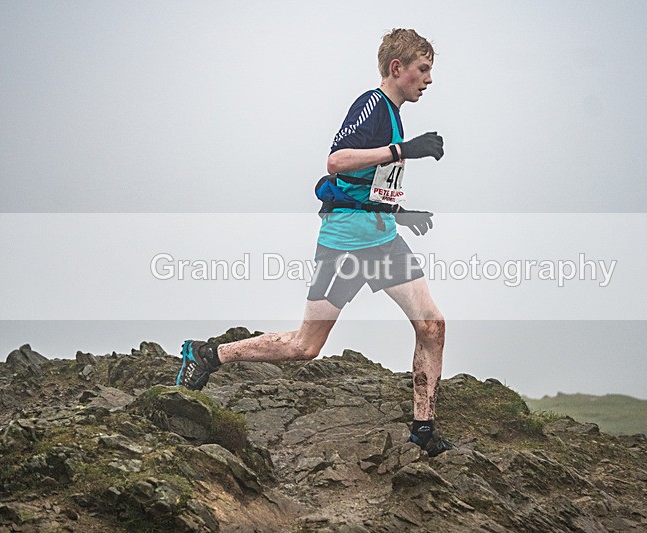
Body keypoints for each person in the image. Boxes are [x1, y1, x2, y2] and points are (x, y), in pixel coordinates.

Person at [176, 28, 452, 457]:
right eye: (424, 69)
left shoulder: (395, 113)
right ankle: (209, 355)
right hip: (344, 242)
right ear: (397, 69)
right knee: (305, 347)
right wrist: (404, 150)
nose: (429, 79)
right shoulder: (373, 105)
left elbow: (366, 186)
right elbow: (337, 161)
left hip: (382, 239)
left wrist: (403, 213)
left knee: (432, 327)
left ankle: (423, 430)